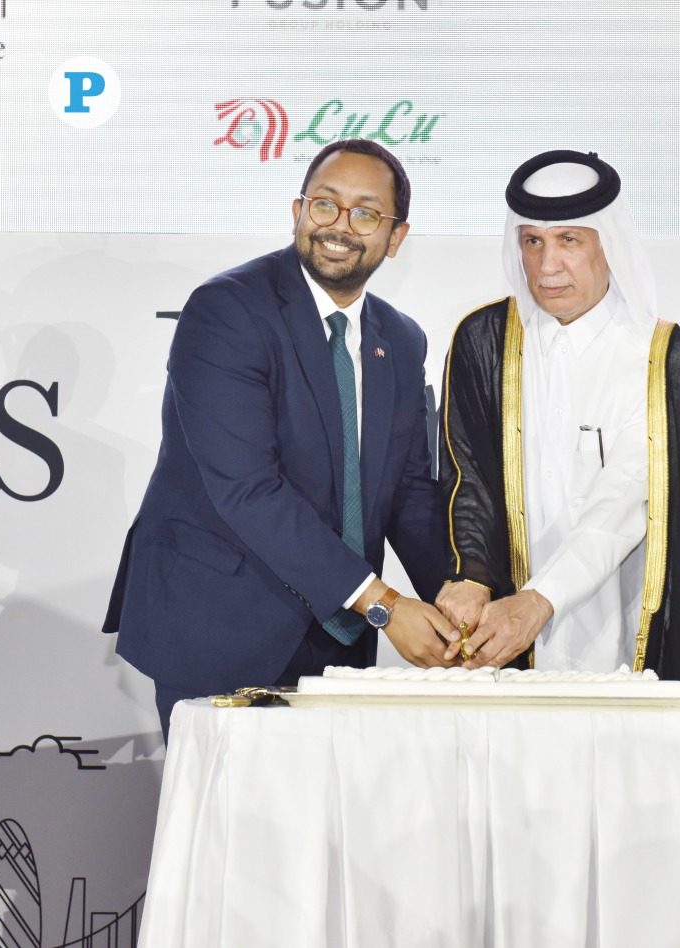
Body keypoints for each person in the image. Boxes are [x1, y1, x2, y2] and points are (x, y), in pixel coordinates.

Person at [104, 139, 457, 741]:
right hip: (219, 626)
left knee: (321, 828)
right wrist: (384, 605)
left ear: (396, 237)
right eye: (325, 205)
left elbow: (409, 490)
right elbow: (248, 488)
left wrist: (457, 598)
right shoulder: (228, 310)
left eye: (366, 212)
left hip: (336, 636)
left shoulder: (401, 339)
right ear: (298, 212)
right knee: (226, 830)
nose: (340, 227)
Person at [434, 149, 680, 697]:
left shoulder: (657, 355)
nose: (547, 265)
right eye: (533, 242)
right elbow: (466, 474)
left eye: (569, 241)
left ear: (607, 245)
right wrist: (473, 575)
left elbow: (625, 502)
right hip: (502, 637)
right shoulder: (484, 340)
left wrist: (538, 601)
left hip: (622, 635)